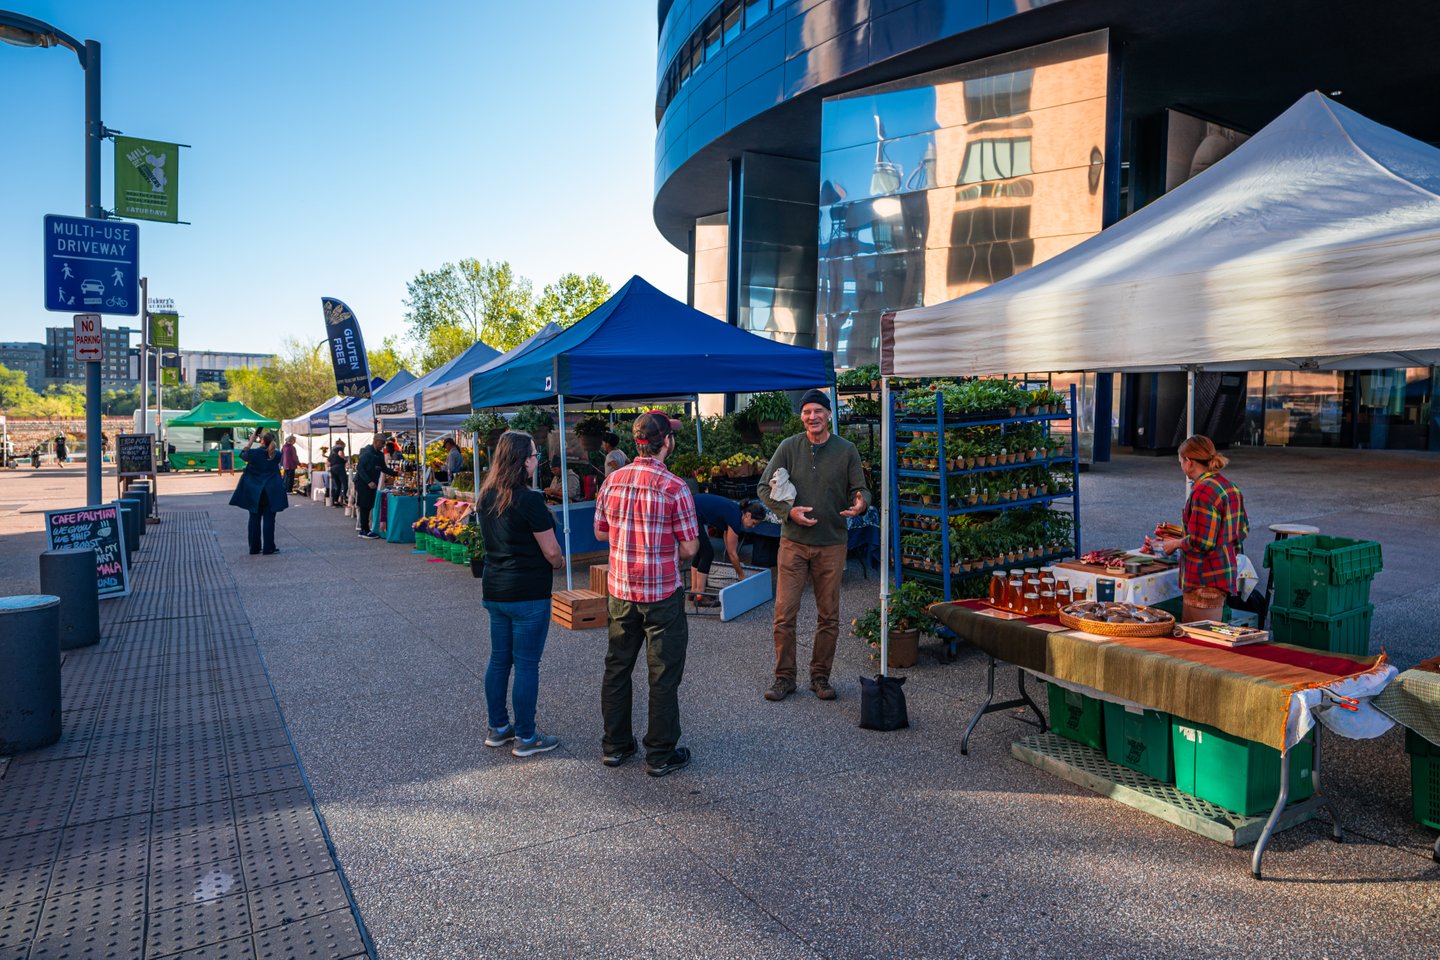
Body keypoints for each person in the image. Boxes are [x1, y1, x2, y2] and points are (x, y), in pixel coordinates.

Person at [594, 411, 700, 777]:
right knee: (663, 673)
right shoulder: (675, 487)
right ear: (666, 442)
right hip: (662, 592)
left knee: (617, 667)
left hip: (621, 589)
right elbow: (689, 548)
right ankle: (660, 753)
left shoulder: (612, 480)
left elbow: (601, 533)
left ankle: (615, 746)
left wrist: (628, 533)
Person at [757, 389, 870, 702]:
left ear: (829, 414)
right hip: (793, 543)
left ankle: (820, 677)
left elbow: (861, 490)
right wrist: (788, 511)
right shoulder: (788, 446)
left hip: (831, 544)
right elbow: (764, 487)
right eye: (806, 411)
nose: (812, 416)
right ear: (802, 417)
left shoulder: (846, 450)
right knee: (784, 614)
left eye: (818, 411)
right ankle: (784, 678)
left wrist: (860, 503)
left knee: (828, 616)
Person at [478, 431, 566, 758]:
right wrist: (559, 562)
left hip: (496, 588)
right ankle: (526, 736)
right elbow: (551, 550)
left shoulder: (486, 495)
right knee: (527, 664)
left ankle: (498, 727)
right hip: (528, 591)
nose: (536, 460)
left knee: (500, 659)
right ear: (521, 460)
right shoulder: (529, 500)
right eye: (533, 454)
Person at [1152, 434, 1250, 622]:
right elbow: (1243, 530)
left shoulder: (1203, 491)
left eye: (1180, 462)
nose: (1181, 466)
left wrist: (1176, 544)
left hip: (1203, 578)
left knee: (1199, 636)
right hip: (1221, 572)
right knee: (1203, 634)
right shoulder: (1229, 486)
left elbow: (1201, 541)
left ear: (1189, 462)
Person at [688, 495, 765, 605]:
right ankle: (699, 596)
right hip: (691, 511)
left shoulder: (735, 512)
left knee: (702, 551)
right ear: (748, 515)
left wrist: (737, 563)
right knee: (707, 553)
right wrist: (741, 576)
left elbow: (728, 545)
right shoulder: (735, 519)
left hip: (690, 507)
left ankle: (694, 592)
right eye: (753, 523)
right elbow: (732, 553)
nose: (753, 527)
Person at [229, 430, 288, 555]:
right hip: (271, 492)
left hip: (255, 492)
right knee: (269, 520)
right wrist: (265, 439)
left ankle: (254, 548)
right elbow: (272, 450)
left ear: (261, 441)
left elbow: (242, 454)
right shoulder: (277, 455)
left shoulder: (253, 453)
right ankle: (268, 548)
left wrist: (251, 441)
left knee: (254, 520)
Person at [356, 434, 399, 539]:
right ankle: (364, 530)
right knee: (364, 506)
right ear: (375, 441)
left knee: (369, 505)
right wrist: (369, 481)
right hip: (363, 483)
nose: (383, 445)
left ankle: (365, 529)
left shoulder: (379, 454)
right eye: (382, 443)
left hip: (372, 483)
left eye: (384, 443)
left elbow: (384, 468)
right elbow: (360, 468)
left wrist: (397, 473)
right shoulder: (367, 452)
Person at [327, 441, 349, 509]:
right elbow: (340, 453)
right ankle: (345, 498)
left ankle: (335, 502)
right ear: (341, 444)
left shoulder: (332, 452)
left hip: (333, 469)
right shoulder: (339, 448)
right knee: (345, 483)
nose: (344, 447)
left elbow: (328, 463)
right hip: (340, 468)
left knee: (338, 486)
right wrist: (345, 458)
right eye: (344, 446)